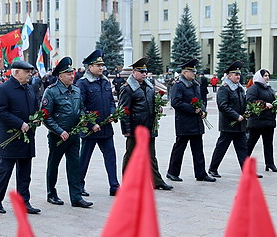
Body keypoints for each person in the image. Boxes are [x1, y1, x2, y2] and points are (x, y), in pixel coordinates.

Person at [0, 61, 41, 214]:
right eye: (27, 72)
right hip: (9, 138)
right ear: (16, 72)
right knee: (5, 171)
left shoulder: (29, 88)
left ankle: (24, 202)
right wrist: (19, 123)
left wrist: (35, 118)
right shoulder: (4, 89)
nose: (30, 74)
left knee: (25, 173)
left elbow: (34, 106)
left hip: (26, 137)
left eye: (30, 72)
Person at [41, 56, 93, 208]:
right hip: (58, 137)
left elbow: (81, 109)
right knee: (54, 165)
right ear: (60, 76)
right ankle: (51, 193)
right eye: (69, 74)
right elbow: (45, 116)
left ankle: (76, 197)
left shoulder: (76, 90)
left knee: (74, 166)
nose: (72, 76)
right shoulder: (51, 92)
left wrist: (84, 119)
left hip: (74, 135)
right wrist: (59, 131)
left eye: (73, 73)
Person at [119, 57, 173, 190]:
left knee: (151, 156)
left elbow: (152, 102)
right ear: (134, 72)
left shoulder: (148, 86)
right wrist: (126, 130)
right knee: (131, 156)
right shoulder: (127, 88)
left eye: (145, 72)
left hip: (149, 126)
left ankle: (157, 182)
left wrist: (157, 107)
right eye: (141, 72)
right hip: (135, 128)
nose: (144, 74)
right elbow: (123, 111)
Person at [76, 50, 120, 197]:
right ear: (90, 67)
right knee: (84, 158)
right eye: (98, 65)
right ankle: (79, 185)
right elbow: (81, 107)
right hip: (91, 130)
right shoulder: (83, 83)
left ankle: (114, 186)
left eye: (102, 65)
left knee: (111, 156)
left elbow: (111, 102)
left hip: (106, 128)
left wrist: (113, 113)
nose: (101, 68)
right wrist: (91, 124)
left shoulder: (105, 81)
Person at [208, 61, 262, 178]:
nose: (238, 76)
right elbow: (223, 106)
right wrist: (236, 116)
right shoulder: (224, 89)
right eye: (235, 74)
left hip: (240, 125)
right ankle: (213, 168)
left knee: (243, 149)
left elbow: (244, 103)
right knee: (221, 148)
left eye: (239, 74)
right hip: (228, 125)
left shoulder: (239, 88)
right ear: (229, 76)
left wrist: (248, 111)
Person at [166, 59, 216, 183]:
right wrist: (192, 110)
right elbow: (176, 102)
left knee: (198, 149)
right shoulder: (179, 85)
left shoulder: (195, 84)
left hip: (196, 122)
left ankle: (201, 174)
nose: (194, 74)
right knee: (179, 148)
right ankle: (172, 172)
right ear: (184, 73)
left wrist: (203, 110)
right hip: (184, 122)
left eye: (195, 71)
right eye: (192, 71)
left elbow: (200, 100)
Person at [246, 69, 277, 172]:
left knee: (268, 144)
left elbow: (273, 99)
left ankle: (270, 164)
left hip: (269, 121)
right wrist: (264, 104)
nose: (267, 77)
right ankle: (244, 162)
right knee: (250, 143)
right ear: (260, 77)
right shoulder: (254, 88)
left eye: (268, 75)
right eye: (265, 75)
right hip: (257, 121)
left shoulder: (269, 88)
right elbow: (249, 100)